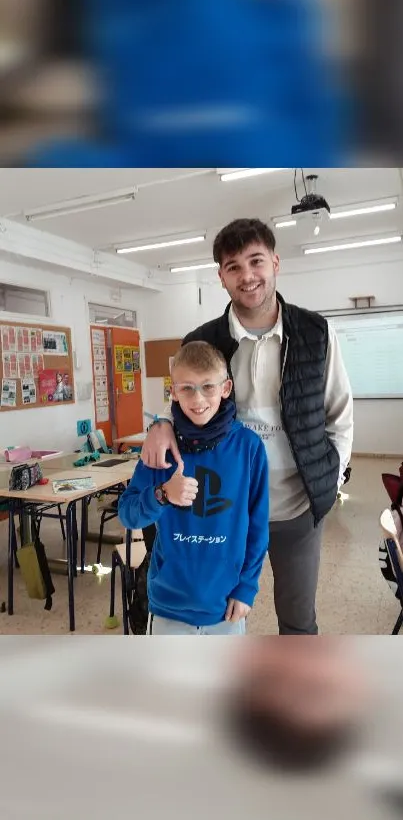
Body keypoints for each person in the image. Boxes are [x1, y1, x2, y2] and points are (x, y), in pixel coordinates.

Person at [141, 218, 353, 635]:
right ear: (221, 276)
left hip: (297, 507)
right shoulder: (201, 339)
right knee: (223, 615)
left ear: (275, 262)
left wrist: (327, 478)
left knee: (298, 618)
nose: (247, 276)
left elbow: (339, 415)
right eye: (233, 266)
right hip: (225, 510)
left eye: (256, 261)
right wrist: (161, 423)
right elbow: (186, 401)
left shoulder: (317, 332)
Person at [118, 340, 269, 635]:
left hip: (225, 608)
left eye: (208, 387)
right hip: (168, 606)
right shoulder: (160, 447)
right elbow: (127, 514)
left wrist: (247, 587)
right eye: (186, 388)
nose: (198, 398)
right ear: (172, 392)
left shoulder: (248, 448)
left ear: (225, 389)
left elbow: (258, 527)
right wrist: (162, 495)